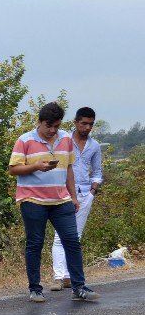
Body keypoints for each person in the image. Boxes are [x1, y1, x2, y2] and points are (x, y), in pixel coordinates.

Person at [8, 102, 99, 303]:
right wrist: (35, 166)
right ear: (39, 122)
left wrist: (73, 196)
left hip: (61, 199)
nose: (52, 130)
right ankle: (35, 289)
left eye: (56, 126)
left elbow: (68, 170)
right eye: (48, 126)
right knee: (35, 243)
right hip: (33, 199)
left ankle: (79, 286)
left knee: (72, 241)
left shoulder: (66, 138)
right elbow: (13, 169)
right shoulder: (25, 140)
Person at [50, 106, 103, 290]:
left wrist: (92, 191)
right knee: (59, 236)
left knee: (75, 236)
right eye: (84, 123)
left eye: (91, 124)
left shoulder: (94, 146)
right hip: (63, 193)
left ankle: (68, 276)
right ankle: (58, 276)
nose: (87, 127)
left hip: (85, 193)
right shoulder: (64, 139)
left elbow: (97, 172)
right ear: (76, 122)